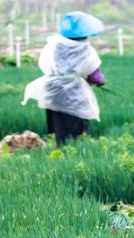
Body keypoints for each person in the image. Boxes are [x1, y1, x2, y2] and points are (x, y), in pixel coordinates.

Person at [21, 11, 105, 146]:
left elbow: (46, 64)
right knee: (76, 131)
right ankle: (73, 152)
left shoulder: (54, 45)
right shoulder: (84, 49)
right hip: (74, 94)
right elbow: (95, 75)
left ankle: (59, 149)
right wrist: (99, 82)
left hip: (52, 91)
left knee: (58, 127)